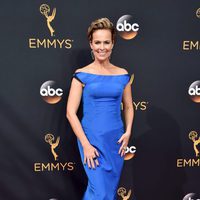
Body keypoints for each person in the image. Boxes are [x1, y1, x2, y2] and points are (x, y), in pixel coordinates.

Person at [66, 17, 134, 200]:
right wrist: (86, 145)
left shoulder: (122, 74)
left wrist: (127, 132)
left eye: (106, 42)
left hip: (116, 141)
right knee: (100, 191)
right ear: (91, 44)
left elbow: (128, 106)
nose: (101, 47)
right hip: (92, 139)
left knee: (108, 192)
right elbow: (70, 113)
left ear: (113, 44)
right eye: (97, 42)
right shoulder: (81, 75)